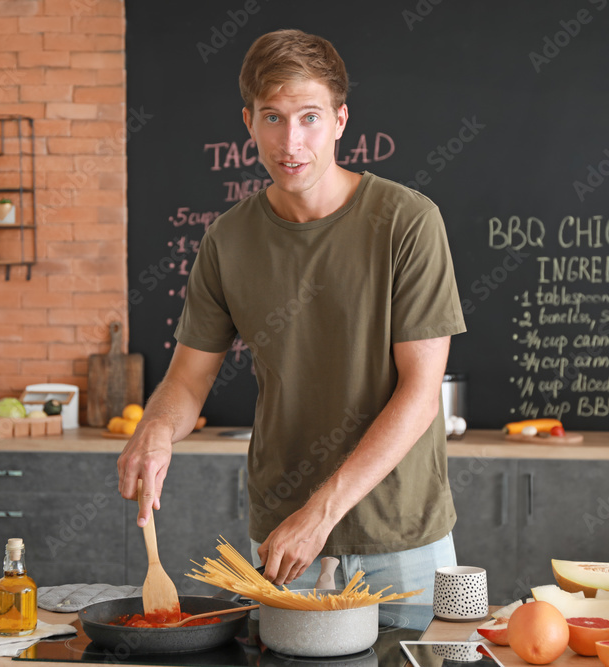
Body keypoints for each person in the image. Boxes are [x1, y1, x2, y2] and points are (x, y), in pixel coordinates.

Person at [117, 29, 466, 600]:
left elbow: (421, 393)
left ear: (340, 120)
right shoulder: (227, 241)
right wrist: (156, 429)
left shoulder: (408, 221)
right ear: (248, 122)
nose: (290, 141)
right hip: (282, 542)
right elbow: (187, 379)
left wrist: (320, 515)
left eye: (308, 116)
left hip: (401, 534)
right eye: (273, 118)